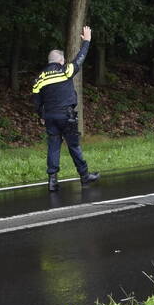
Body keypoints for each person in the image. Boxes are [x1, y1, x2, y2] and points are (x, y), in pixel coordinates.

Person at [31, 25, 100, 192]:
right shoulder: (65, 70)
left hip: (50, 117)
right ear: (60, 61)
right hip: (66, 116)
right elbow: (80, 59)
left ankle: (52, 181)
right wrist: (87, 42)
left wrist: (41, 115)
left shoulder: (39, 79)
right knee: (73, 146)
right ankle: (84, 176)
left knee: (53, 146)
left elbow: (36, 101)